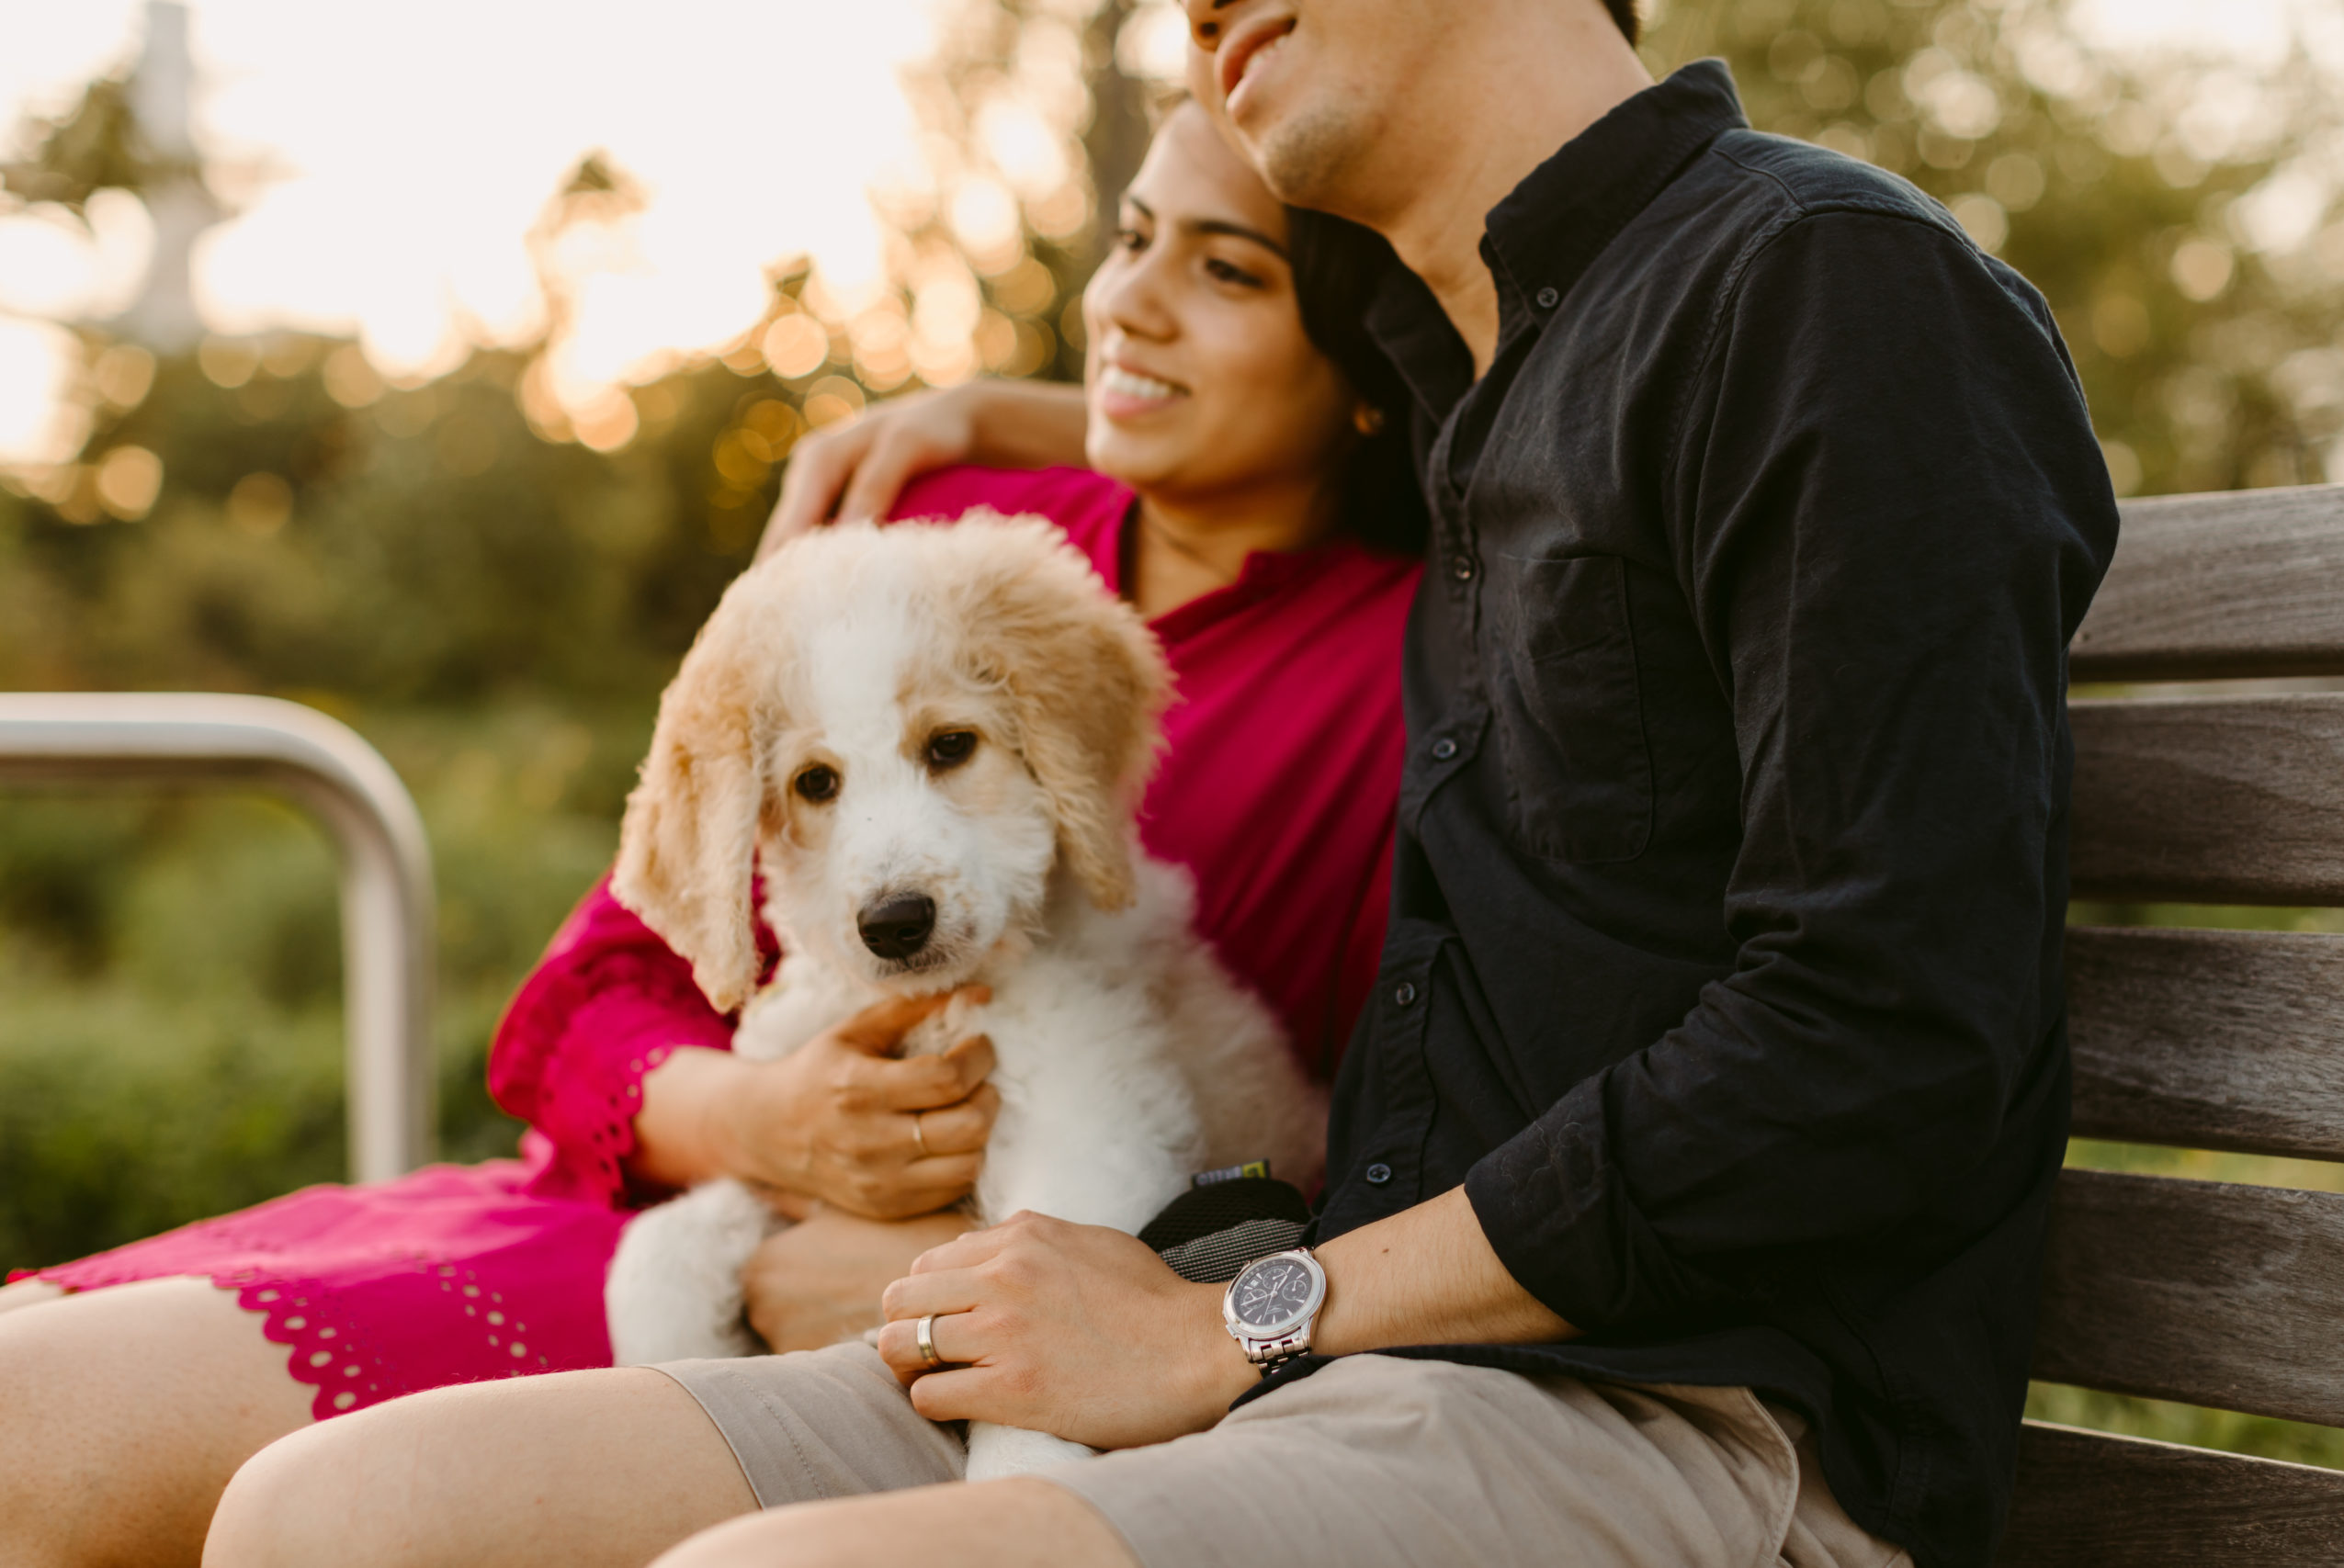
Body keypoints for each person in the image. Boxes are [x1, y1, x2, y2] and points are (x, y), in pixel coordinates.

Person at [201, 1, 2121, 1563]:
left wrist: (1232, 1317)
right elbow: (1253, 391)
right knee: (336, 1519)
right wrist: (972, 414)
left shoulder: (1822, 295)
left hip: (1692, 1418)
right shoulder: (1487, 376)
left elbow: (1880, 1035)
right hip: (1351, 1349)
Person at [0, 99, 1425, 1568]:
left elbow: (1299, 1144)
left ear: (1371, 357)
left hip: (949, 1302)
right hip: (650, 1205)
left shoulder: (1414, 662)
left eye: (1228, 273)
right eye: (1133, 239)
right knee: (18, 1413)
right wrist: (769, 1121)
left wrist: (889, 1266)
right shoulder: (929, 517)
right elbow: (571, 1009)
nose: (1130, 301)